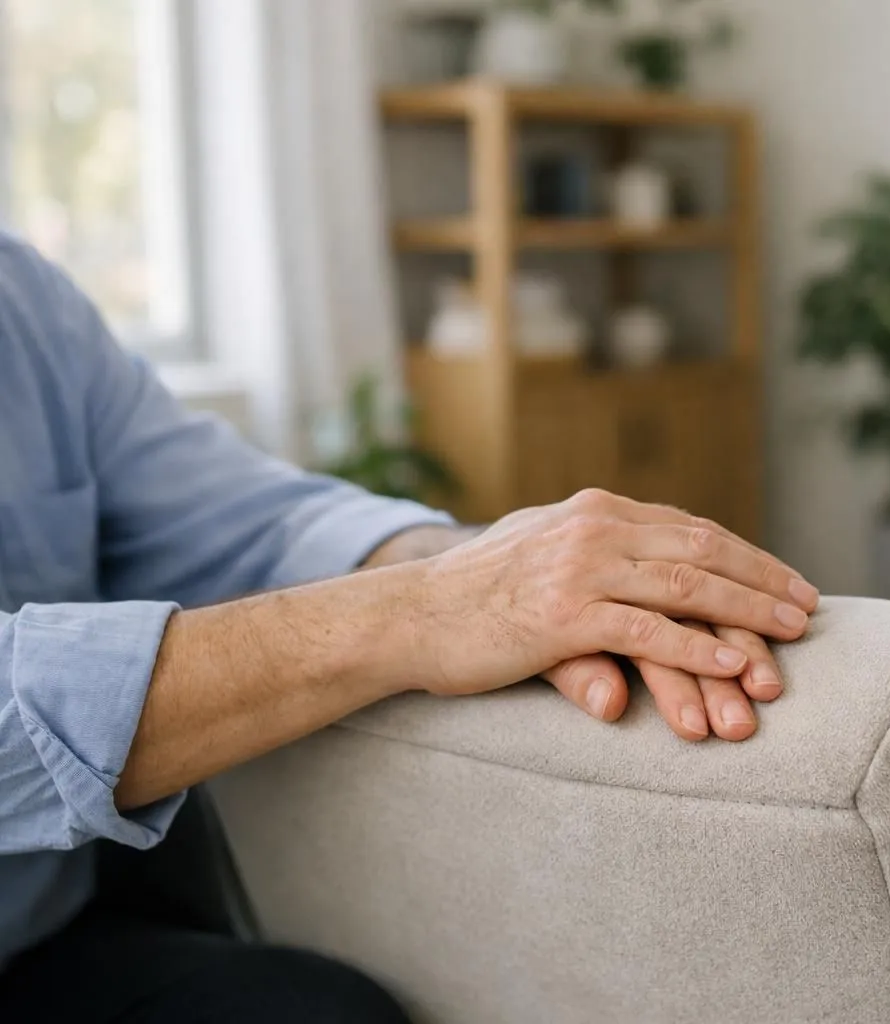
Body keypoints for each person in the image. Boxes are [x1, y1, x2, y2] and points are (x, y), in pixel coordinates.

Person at [0, 234, 818, 1022]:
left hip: (53, 939)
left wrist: (508, 565)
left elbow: (257, 522)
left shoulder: (25, 298)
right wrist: (422, 609)